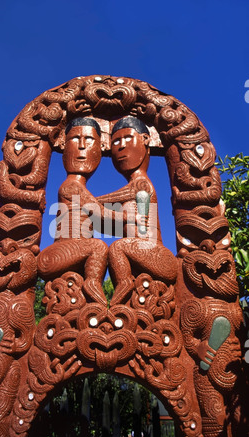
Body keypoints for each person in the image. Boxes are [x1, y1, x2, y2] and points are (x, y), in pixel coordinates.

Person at [38, 117, 136, 306]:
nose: (82, 146)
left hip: (68, 255)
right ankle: (93, 288)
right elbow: (101, 214)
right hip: (55, 256)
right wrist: (129, 218)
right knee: (98, 247)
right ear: (64, 147)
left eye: (89, 140)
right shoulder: (72, 187)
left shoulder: (80, 190)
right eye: (75, 139)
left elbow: (101, 220)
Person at [97, 116, 178, 306]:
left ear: (145, 140)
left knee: (118, 247)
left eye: (128, 139)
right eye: (116, 142)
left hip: (157, 256)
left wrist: (82, 200)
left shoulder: (140, 184)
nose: (121, 147)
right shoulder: (132, 187)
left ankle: (123, 288)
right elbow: (117, 220)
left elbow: (100, 204)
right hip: (142, 255)